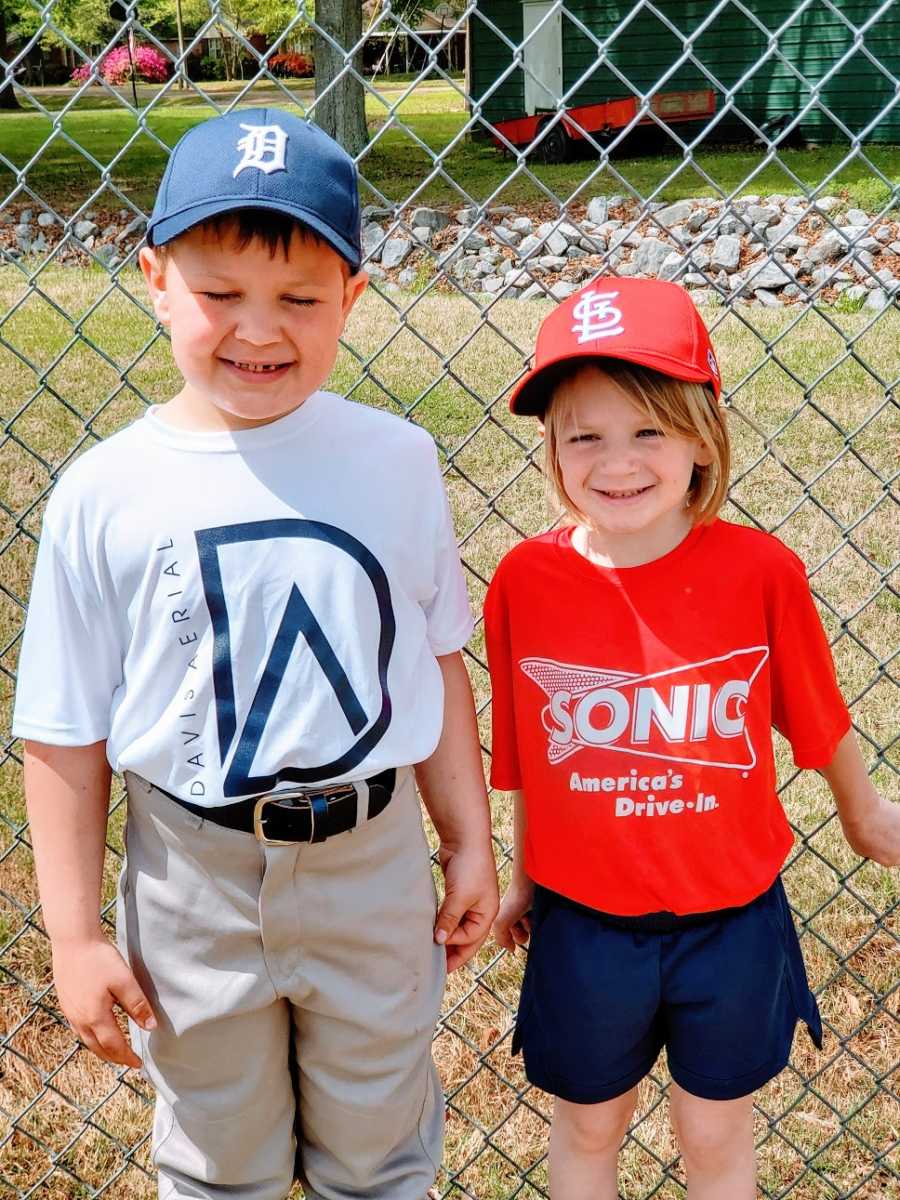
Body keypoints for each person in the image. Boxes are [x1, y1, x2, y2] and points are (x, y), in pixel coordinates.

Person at [14, 108, 498, 1200]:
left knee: (379, 1150)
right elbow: (61, 730)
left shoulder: (396, 460)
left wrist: (468, 838)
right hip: (192, 874)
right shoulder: (104, 491)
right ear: (154, 279)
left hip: (370, 865)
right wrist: (73, 934)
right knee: (218, 1157)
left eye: (300, 299)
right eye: (219, 294)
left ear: (355, 298)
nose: (257, 330)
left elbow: (436, 661)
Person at [485, 277, 899, 1200]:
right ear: (550, 446)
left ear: (702, 439)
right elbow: (528, 759)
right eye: (582, 434)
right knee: (589, 1127)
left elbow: (816, 715)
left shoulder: (760, 571)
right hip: (585, 921)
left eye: (648, 430)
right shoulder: (525, 579)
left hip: (732, 916)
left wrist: (865, 814)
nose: (616, 461)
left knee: (714, 1135)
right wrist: (522, 881)